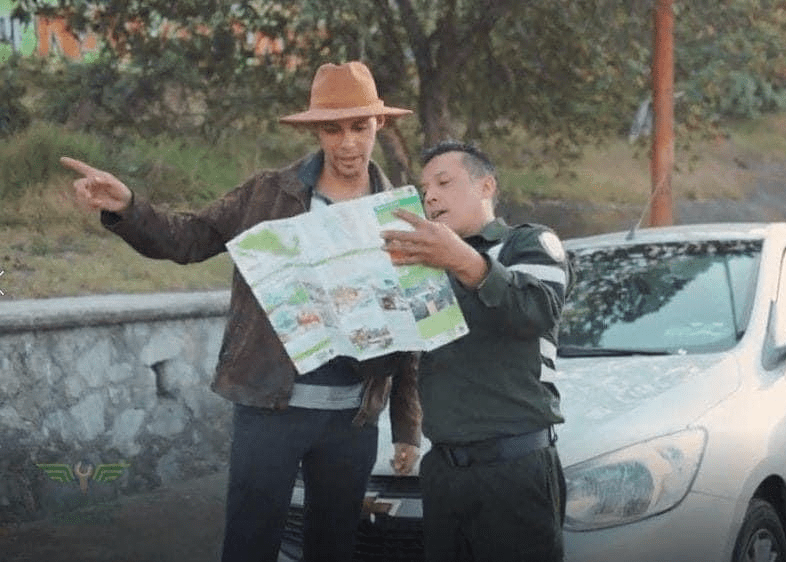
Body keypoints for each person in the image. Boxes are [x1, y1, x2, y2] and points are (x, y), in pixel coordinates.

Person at [60, 61, 422, 562]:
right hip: (269, 409)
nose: (347, 143)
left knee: (335, 550)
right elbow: (189, 239)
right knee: (249, 546)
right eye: (332, 129)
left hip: (352, 419)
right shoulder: (267, 194)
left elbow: (412, 326)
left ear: (378, 123)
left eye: (359, 126)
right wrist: (127, 208)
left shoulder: (400, 212)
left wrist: (406, 426)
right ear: (316, 131)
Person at [381, 140, 570, 562]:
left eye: (443, 182)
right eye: (424, 189)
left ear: (486, 186)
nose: (430, 197)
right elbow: (404, 353)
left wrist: (464, 260)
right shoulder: (422, 267)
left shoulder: (527, 242)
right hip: (442, 470)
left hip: (513, 466)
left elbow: (535, 312)